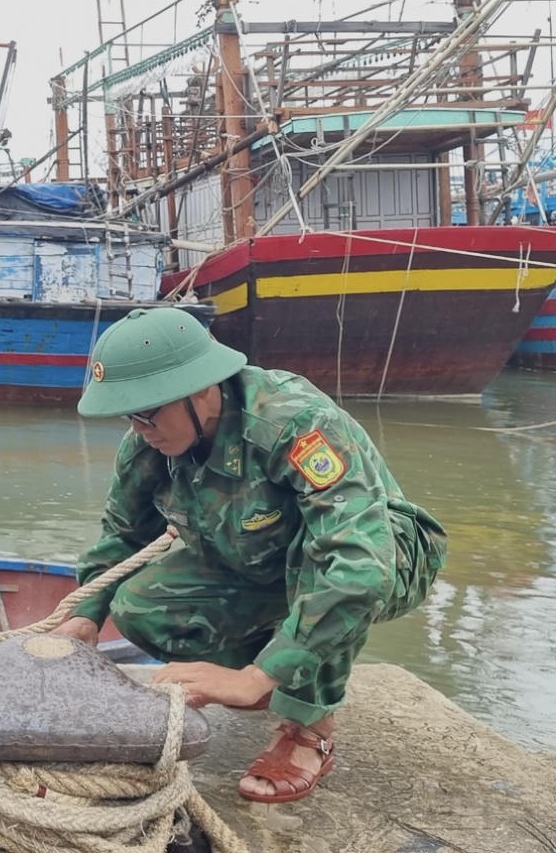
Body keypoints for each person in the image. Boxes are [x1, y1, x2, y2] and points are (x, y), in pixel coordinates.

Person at [53, 307, 447, 804]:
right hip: (251, 556)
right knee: (139, 605)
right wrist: (84, 616)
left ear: (200, 390)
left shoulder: (296, 425)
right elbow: (122, 536)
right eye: (129, 416)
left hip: (385, 554)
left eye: (147, 413)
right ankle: (277, 676)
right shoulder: (151, 444)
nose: (138, 428)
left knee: (319, 560)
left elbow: (358, 568)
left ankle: (308, 727)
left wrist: (255, 675)